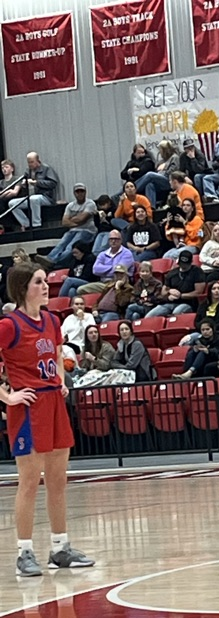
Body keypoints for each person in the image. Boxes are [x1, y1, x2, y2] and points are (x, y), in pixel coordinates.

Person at [0, 263, 95, 576]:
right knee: (29, 482)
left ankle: (60, 548)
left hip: (54, 401)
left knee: (58, 480)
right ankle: (24, 552)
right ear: (23, 288)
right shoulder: (9, 325)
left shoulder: (53, 321)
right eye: (38, 282)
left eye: (45, 280)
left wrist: (62, 379)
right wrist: (8, 396)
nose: (45, 286)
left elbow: (56, 354)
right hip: (28, 406)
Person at [36, 183, 98, 270]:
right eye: (77, 191)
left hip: (87, 231)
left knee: (70, 247)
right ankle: (49, 259)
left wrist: (72, 219)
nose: (80, 193)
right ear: (74, 193)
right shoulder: (70, 205)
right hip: (73, 230)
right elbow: (64, 222)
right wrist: (78, 221)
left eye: (82, 191)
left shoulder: (90, 204)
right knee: (61, 244)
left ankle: (54, 262)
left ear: (85, 192)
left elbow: (82, 218)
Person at [8, 152, 59, 230]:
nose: (30, 164)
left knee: (34, 199)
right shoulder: (28, 171)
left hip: (45, 197)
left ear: (38, 161)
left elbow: (53, 183)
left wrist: (36, 182)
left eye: (32, 162)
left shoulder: (46, 169)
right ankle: (26, 224)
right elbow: (23, 182)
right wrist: (24, 184)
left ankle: (36, 225)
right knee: (12, 204)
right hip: (30, 196)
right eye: (28, 162)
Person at [147, 249, 205, 317]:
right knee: (150, 316)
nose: (183, 266)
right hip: (170, 302)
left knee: (176, 314)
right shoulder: (172, 273)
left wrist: (181, 296)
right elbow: (163, 291)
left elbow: (198, 292)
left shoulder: (197, 272)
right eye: (181, 263)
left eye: (186, 264)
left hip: (187, 303)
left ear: (191, 262)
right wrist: (169, 291)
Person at [134, 139, 179, 209]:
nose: (159, 152)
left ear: (165, 150)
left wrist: (164, 168)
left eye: (160, 150)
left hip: (169, 181)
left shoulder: (174, 157)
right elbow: (156, 171)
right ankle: (151, 208)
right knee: (149, 185)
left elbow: (173, 172)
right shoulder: (161, 161)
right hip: (160, 181)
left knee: (150, 175)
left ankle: (132, 190)